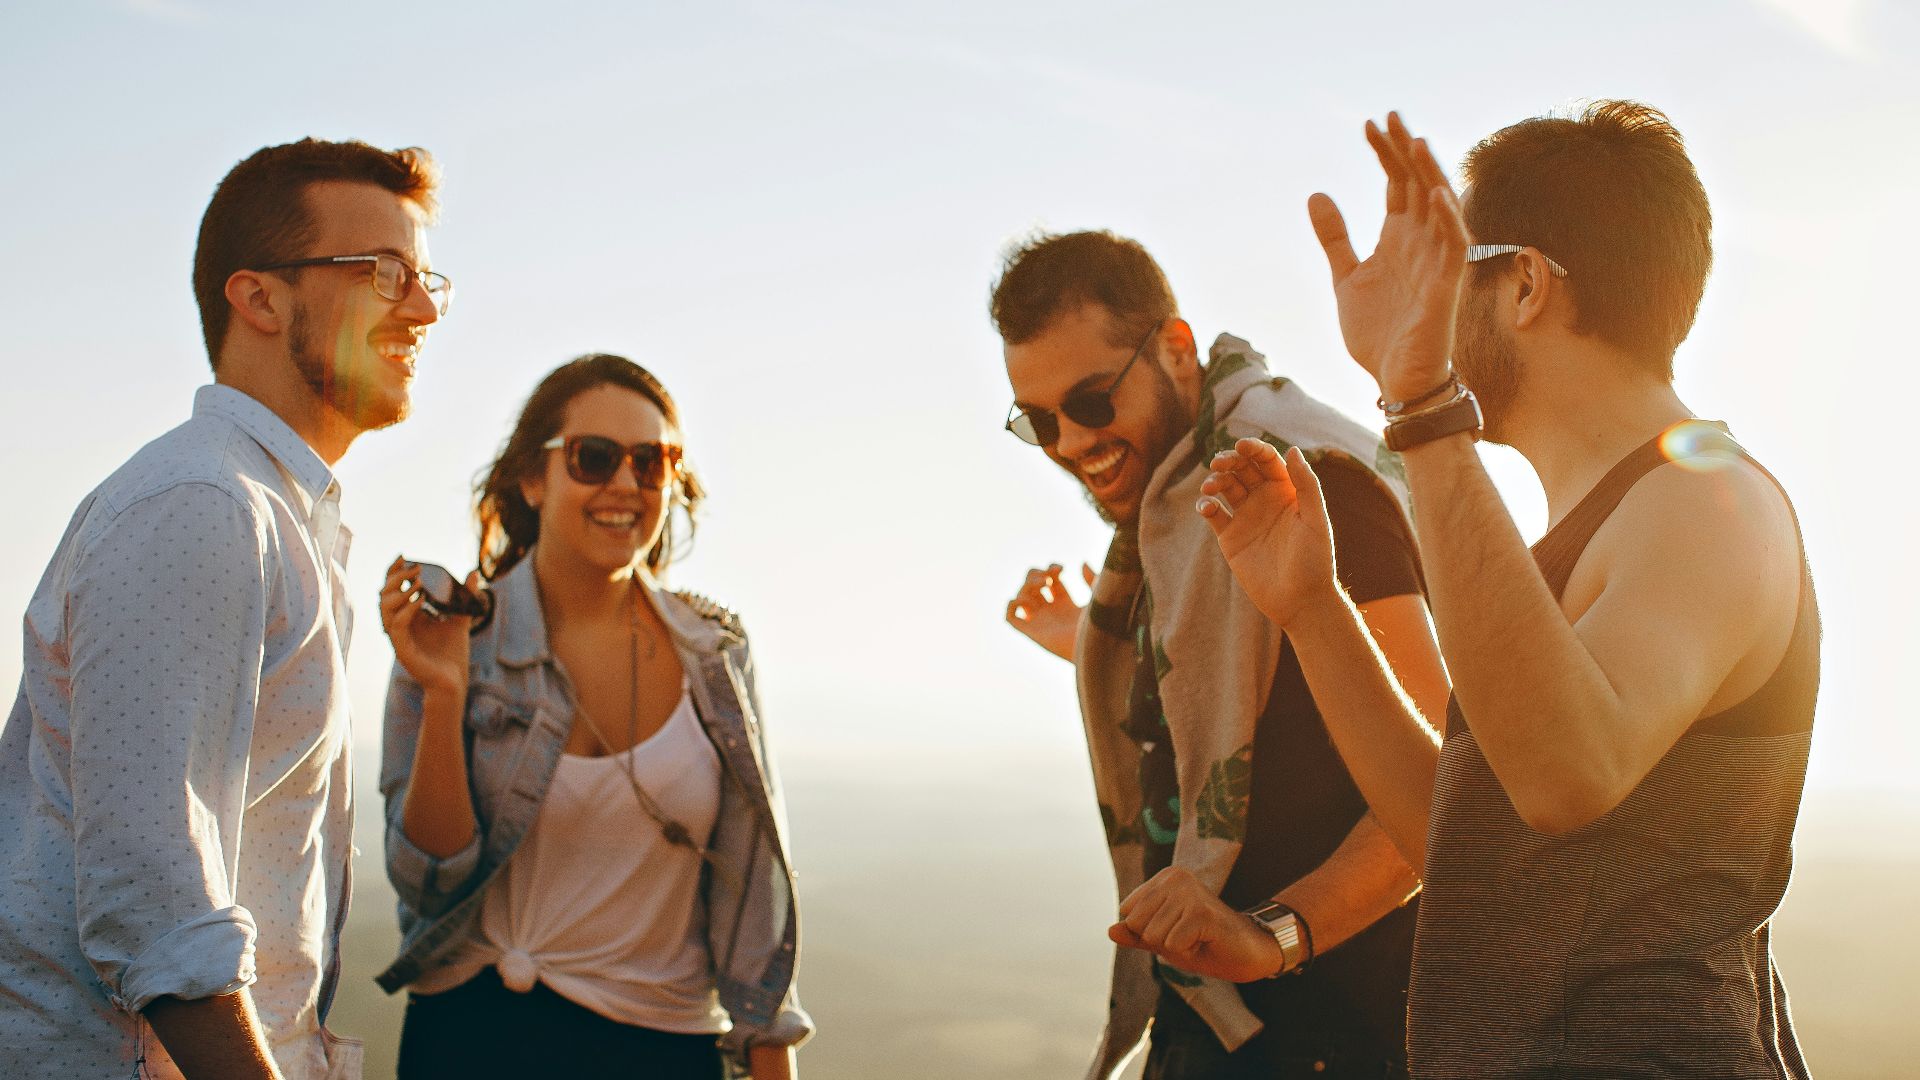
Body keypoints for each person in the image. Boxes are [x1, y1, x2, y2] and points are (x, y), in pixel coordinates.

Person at [1138, 105, 1819, 1078]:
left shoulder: (1709, 499)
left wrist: (1418, 404)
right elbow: (1467, 850)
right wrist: (1315, 610)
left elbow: (1563, 778)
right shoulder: (1583, 535)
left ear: (1526, 284)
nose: (1433, 307)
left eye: (1450, 274)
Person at [0, 138, 447, 1079]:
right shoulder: (203, 505)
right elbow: (160, 913)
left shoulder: (277, 514)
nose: (423, 307)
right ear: (259, 296)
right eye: (385, 272)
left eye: (424, 274)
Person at [994, 231, 1450, 1080]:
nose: (1067, 442)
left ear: (1173, 349)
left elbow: (1440, 782)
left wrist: (1277, 935)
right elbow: (1250, 696)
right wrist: (1092, 646)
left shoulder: (1311, 484)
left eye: (1090, 402)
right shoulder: (1177, 515)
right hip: (1213, 1024)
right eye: (1039, 420)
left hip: (1335, 1035)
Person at [375, 354, 810, 1080]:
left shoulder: (716, 655)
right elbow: (427, 883)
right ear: (532, 478)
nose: (625, 485)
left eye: (653, 462)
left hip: (661, 1052)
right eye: (595, 458)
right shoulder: (454, 638)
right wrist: (446, 692)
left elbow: (753, 904)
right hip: (470, 1042)